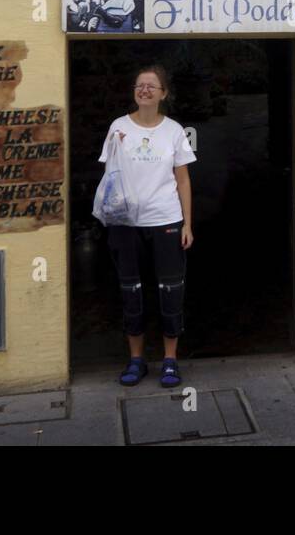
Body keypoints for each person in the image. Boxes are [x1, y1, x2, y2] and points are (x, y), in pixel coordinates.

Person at [94, 65, 196, 388]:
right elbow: (110, 176)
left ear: (164, 93)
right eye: (140, 85)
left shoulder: (175, 131)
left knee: (170, 290)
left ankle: (169, 360)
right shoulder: (117, 128)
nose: (145, 90)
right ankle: (136, 360)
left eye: (152, 86)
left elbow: (183, 180)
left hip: (165, 220)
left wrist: (187, 224)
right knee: (131, 290)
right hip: (125, 223)